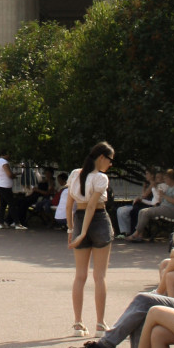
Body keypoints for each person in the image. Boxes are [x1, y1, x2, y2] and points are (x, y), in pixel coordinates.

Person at [68, 142, 114, 335]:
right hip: (98, 220)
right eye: (110, 160)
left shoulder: (75, 174)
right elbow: (92, 207)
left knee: (80, 275)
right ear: (101, 158)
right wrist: (83, 233)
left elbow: (69, 203)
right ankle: (100, 324)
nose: (111, 164)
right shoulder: (101, 178)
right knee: (99, 276)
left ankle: (78, 323)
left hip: (79, 219)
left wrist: (72, 230)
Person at [126, 168, 174, 242]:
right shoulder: (170, 187)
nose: (164, 180)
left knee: (146, 212)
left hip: (173, 210)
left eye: (166, 178)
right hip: (165, 208)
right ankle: (139, 235)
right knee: (142, 211)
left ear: (171, 178)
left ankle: (136, 234)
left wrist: (163, 195)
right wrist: (161, 197)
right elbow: (163, 199)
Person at [116, 170, 159, 238]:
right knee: (122, 210)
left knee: (136, 211)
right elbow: (143, 196)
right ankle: (127, 232)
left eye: (147, 174)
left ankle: (136, 233)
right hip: (145, 203)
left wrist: (142, 192)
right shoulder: (149, 184)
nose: (146, 176)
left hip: (149, 205)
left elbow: (144, 196)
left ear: (152, 175)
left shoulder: (153, 184)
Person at [0, 152, 16, 228]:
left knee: (3, 205)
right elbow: (9, 174)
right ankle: (17, 222)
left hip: (0, 185)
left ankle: (1, 222)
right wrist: (14, 175)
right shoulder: (4, 162)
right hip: (5, 186)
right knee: (12, 204)